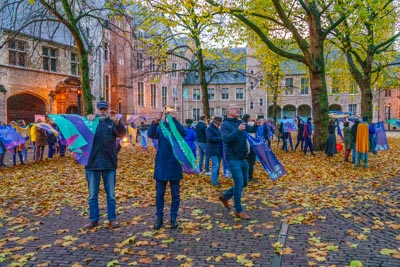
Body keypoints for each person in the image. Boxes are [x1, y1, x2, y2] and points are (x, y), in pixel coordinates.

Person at [84, 101, 126, 229]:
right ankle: (94, 219)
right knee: (92, 195)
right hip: (92, 163)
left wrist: (117, 123)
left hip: (109, 163)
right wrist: (87, 121)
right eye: (100, 109)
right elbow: (82, 135)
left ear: (107, 110)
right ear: (97, 110)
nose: (102, 111)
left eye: (104, 109)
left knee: (111, 195)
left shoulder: (111, 122)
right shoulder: (91, 122)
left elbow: (122, 134)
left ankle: (112, 219)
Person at [148, 109, 186, 230]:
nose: (168, 116)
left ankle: (173, 218)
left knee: (175, 194)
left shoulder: (176, 128)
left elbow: (183, 132)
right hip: (162, 164)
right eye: (167, 114)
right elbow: (151, 134)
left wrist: (174, 119)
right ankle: (159, 218)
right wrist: (156, 121)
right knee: (160, 194)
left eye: (171, 114)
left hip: (174, 163)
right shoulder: (160, 127)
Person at [219, 104, 251, 220]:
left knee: (244, 183)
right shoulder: (225, 125)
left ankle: (225, 196)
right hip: (233, 158)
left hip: (243, 157)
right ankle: (239, 210)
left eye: (238, 108)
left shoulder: (239, 121)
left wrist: (256, 126)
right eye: (234, 108)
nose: (237, 109)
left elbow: (249, 130)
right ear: (228, 111)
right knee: (238, 184)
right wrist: (238, 130)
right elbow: (226, 139)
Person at [206, 116, 223, 187]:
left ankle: (216, 179)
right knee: (215, 165)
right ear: (214, 122)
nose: (219, 125)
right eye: (218, 124)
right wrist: (220, 139)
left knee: (217, 165)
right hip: (212, 150)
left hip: (218, 150)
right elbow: (210, 138)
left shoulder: (218, 129)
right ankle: (214, 181)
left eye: (219, 124)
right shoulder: (209, 129)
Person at [242, 114, 258, 183]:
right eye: (250, 117)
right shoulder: (245, 125)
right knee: (250, 162)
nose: (251, 119)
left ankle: (248, 176)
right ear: (248, 118)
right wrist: (255, 125)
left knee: (249, 162)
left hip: (249, 145)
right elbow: (251, 130)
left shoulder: (244, 124)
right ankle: (249, 177)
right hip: (249, 146)